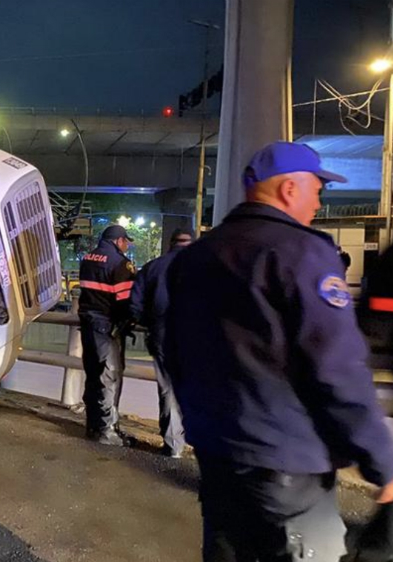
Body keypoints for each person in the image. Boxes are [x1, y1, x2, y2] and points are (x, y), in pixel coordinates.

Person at [164, 141, 393, 561]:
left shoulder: (195, 257)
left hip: (218, 451)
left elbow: (172, 348)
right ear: (289, 189)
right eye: (316, 190)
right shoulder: (302, 253)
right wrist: (381, 459)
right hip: (287, 462)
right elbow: (336, 366)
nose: (318, 203)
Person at [128, 227, 192, 459]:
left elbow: (134, 306)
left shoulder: (153, 267)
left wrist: (151, 322)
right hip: (197, 339)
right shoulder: (207, 267)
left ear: (170, 244)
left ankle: (174, 446)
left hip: (163, 335)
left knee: (168, 390)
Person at [78, 224, 136, 446]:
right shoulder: (120, 263)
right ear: (118, 241)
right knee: (109, 377)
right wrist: (130, 320)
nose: (127, 245)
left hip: (88, 324)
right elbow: (125, 301)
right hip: (107, 327)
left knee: (93, 375)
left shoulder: (87, 259)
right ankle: (107, 430)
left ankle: (93, 425)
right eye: (125, 241)